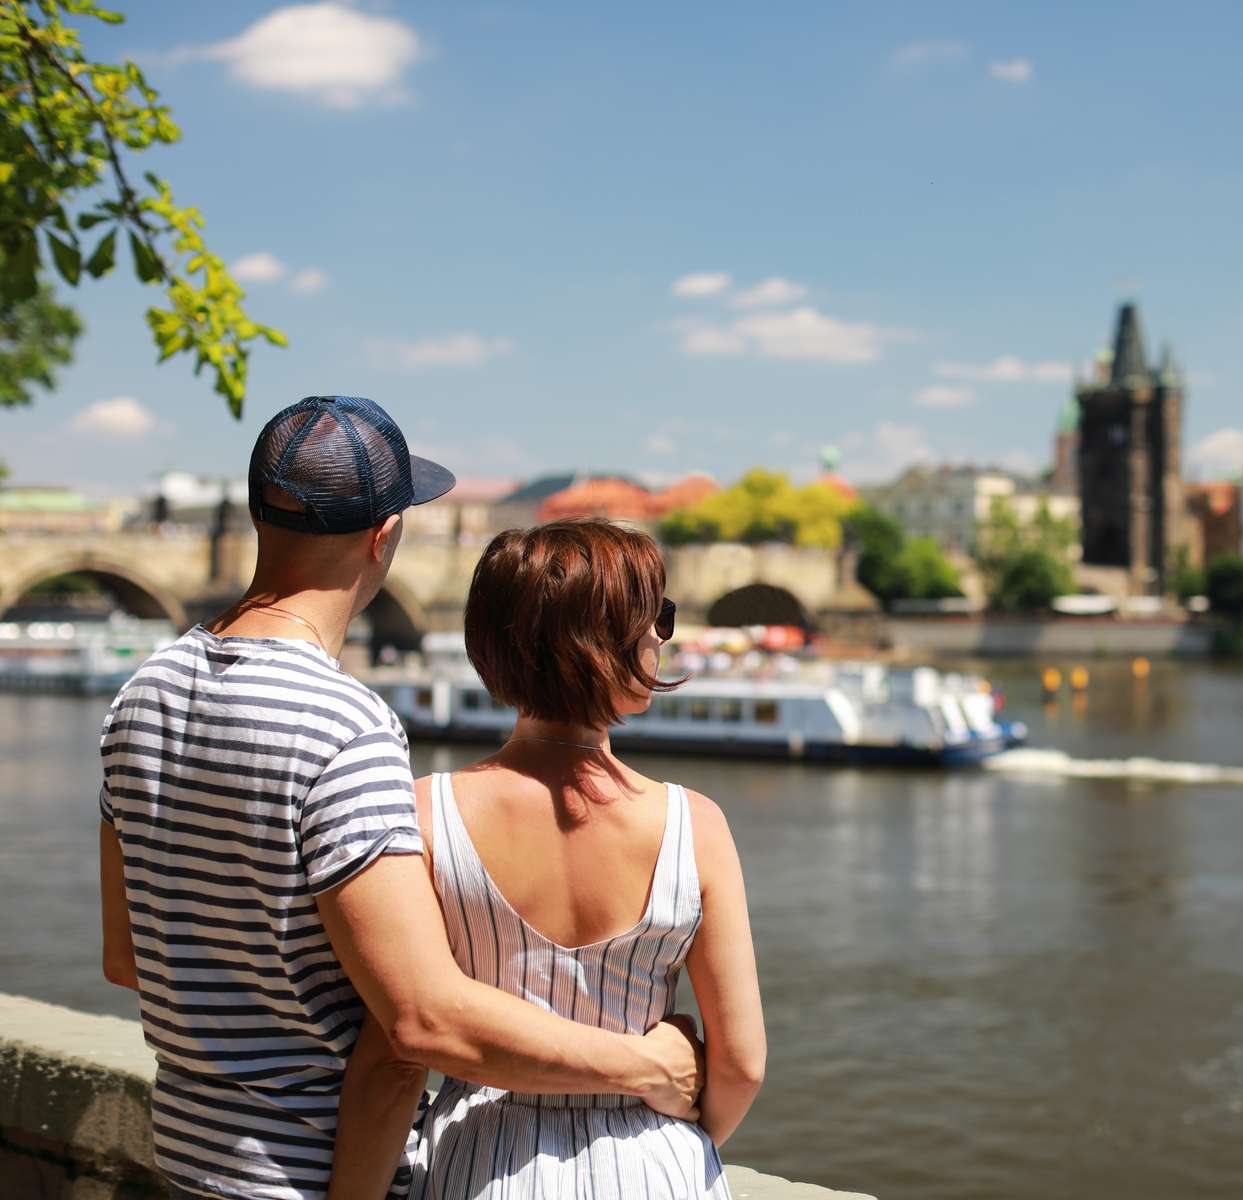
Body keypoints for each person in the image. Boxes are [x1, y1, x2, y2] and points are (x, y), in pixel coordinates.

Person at [98, 397, 703, 1200]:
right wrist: (648, 1063)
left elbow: (126, 957)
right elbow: (420, 1021)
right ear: (385, 536)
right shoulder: (345, 726)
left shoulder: (141, 693)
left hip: (188, 1160)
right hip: (312, 1173)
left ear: (255, 517)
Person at [327, 518, 765, 1200]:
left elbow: (393, 1056)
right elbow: (740, 1063)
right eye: (657, 617)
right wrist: (675, 1137)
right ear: (603, 643)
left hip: (478, 1162)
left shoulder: (421, 813)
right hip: (653, 1161)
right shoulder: (695, 825)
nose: (660, 635)